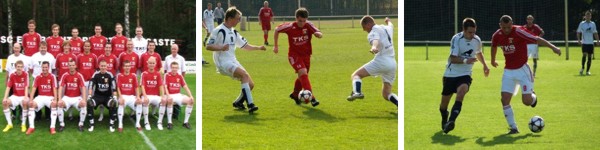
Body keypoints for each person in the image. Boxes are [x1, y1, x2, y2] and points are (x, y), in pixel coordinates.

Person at [490, 15, 561, 134]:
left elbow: (537, 38)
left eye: (508, 27)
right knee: (504, 100)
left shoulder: (518, 31)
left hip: (522, 70)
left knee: (526, 102)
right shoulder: (497, 35)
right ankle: (513, 128)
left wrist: (553, 47)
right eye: (504, 27)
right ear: (500, 25)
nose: (506, 30)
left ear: (512, 24)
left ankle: (533, 97)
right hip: (508, 71)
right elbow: (493, 46)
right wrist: (492, 60)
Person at [206, 7, 266, 113]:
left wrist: (259, 48)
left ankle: (238, 102)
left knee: (250, 84)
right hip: (223, 63)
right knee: (244, 75)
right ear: (230, 19)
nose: (239, 20)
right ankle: (251, 104)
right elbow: (208, 46)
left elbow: (245, 46)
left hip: (233, 60)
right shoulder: (218, 30)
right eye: (237, 18)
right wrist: (221, 47)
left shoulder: (234, 32)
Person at [436, 18, 489, 134]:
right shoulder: (456, 39)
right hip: (450, 74)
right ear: (463, 30)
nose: (472, 35)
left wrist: (485, 65)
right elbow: (453, 59)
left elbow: (478, 53)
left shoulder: (477, 40)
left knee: (461, 93)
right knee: (443, 106)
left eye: (474, 32)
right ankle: (445, 117)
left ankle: (451, 121)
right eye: (470, 32)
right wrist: (466, 60)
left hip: (465, 74)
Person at [346, 16, 400, 107]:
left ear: (368, 24)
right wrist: (388, 21)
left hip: (381, 61)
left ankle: (357, 92)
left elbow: (376, 40)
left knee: (356, 75)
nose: (364, 30)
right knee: (386, 94)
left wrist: (374, 47)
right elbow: (391, 26)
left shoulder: (373, 31)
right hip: (392, 63)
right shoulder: (386, 28)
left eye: (364, 27)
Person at [274, 7, 322, 106]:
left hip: (306, 55)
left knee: (302, 76)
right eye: (300, 21)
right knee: (303, 72)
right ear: (296, 18)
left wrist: (318, 34)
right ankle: (312, 97)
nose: (302, 23)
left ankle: (295, 94)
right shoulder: (290, 26)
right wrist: (275, 46)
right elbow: (277, 29)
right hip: (294, 55)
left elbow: (319, 32)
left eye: (304, 21)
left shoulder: (308, 25)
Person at [26, 61, 58, 135]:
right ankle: (31, 127)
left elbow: (54, 88)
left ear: (48, 68)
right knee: (31, 105)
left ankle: (52, 127)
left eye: (46, 67)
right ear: (41, 68)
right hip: (40, 96)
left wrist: (55, 99)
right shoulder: (38, 77)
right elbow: (33, 89)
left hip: (49, 97)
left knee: (53, 104)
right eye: (43, 67)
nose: (45, 69)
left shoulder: (52, 76)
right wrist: (31, 100)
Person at [57, 60, 88, 132]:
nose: (71, 67)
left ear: (75, 66)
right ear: (68, 66)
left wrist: (84, 99)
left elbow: (83, 87)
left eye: (73, 65)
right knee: (60, 105)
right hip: (67, 97)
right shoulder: (65, 75)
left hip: (77, 97)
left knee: (83, 105)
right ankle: (62, 124)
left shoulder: (79, 75)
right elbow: (61, 87)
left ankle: (81, 123)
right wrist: (59, 99)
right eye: (70, 65)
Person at [86, 60, 118, 132]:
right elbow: (91, 85)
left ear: (107, 66)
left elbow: (114, 86)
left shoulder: (110, 74)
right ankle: (91, 124)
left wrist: (115, 96)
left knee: (113, 103)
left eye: (104, 66)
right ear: (99, 66)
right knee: (89, 103)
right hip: (98, 96)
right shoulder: (96, 74)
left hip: (107, 97)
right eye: (102, 66)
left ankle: (111, 124)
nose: (103, 67)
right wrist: (89, 95)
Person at [163, 62, 194, 130]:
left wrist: (191, 96)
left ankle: (185, 122)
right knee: (170, 101)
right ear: (171, 68)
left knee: (190, 101)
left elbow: (185, 86)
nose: (174, 69)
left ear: (178, 68)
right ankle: (169, 122)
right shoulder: (167, 75)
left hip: (178, 95)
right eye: (173, 67)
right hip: (169, 95)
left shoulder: (179, 76)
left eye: (176, 68)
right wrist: (168, 96)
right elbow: (165, 87)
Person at [2, 60, 29, 132]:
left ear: (23, 67)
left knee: (25, 103)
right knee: (5, 103)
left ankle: (23, 124)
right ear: (15, 67)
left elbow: (26, 86)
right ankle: (9, 124)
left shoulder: (26, 74)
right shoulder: (12, 75)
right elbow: (8, 87)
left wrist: (26, 97)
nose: (19, 68)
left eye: (21, 67)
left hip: (23, 95)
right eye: (18, 67)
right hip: (15, 96)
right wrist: (5, 98)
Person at [140, 57, 165, 130]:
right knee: (145, 101)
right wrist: (145, 96)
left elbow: (161, 86)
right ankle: (146, 122)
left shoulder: (158, 74)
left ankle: (159, 122)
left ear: (155, 64)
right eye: (150, 63)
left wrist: (163, 96)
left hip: (155, 96)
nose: (151, 64)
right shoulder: (144, 74)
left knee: (163, 102)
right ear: (147, 64)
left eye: (153, 63)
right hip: (146, 95)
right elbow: (142, 86)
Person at [116, 60, 141, 132]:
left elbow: (136, 87)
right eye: (126, 66)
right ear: (123, 67)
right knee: (121, 102)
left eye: (128, 66)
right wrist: (120, 97)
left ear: (130, 67)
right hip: (123, 96)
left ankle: (138, 123)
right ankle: (120, 124)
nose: (127, 67)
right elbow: (118, 88)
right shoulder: (119, 75)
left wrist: (138, 97)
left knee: (139, 103)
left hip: (131, 96)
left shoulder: (133, 75)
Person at [163, 44, 185, 118]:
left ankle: (176, 113)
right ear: (171, 49)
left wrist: (181, 81)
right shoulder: (167, 58)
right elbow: (165, 70)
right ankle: (167, 112)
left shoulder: (181, 58)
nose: (174, 50)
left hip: (177, 80)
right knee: (167, 95)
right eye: (172, 49)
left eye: (175, 49)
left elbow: (183, 71)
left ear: (177, 50)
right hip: (169, 79)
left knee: (177, 95)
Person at [577, 11, 599, 76]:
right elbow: (578, 32)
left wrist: (597, 40)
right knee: (584, 55)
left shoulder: (593, 24)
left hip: (591, 43)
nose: (588, 17)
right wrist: (578, 40)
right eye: (587, 16)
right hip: (584, 42)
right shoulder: (582, 23)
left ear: (590, 17)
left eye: (589, 16)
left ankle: (588, 71)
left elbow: (595, 33)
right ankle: (582, 68)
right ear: (585, 17)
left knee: (590, 56)